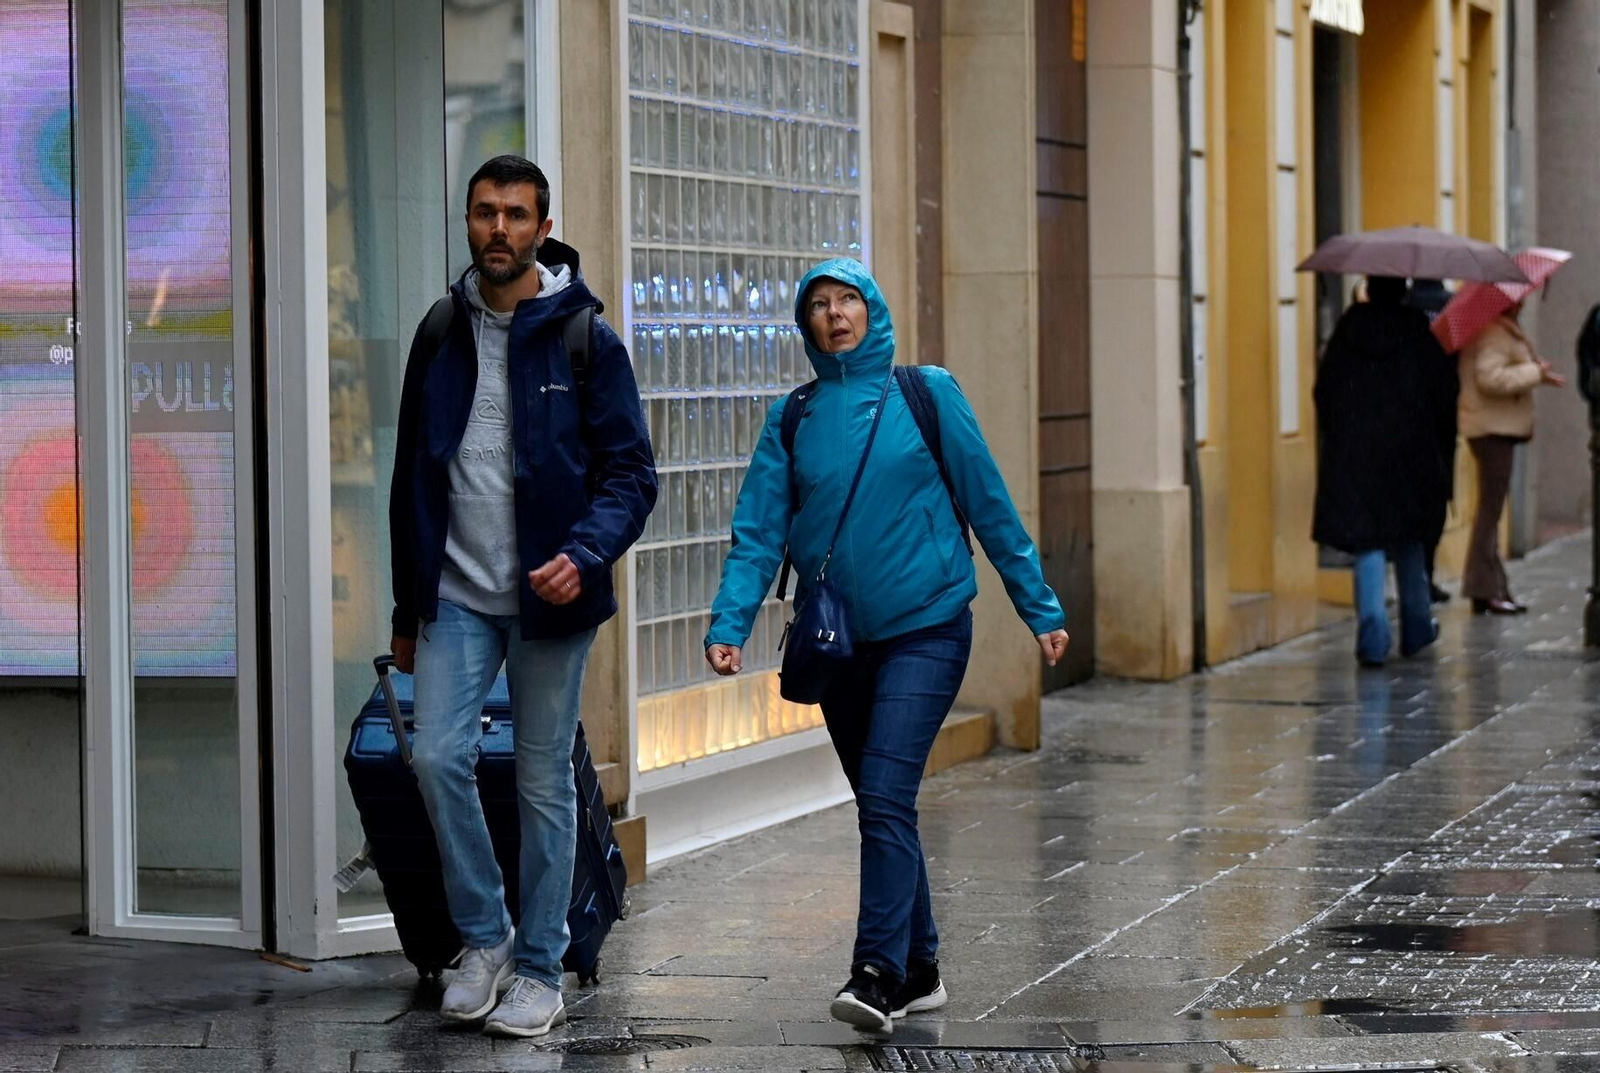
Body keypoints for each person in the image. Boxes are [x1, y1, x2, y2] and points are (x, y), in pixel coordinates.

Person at [703, 259, 1070, 1034]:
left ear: (872, 309)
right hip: (838, 643)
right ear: (805, 324)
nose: (834, 314)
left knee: (883, 792)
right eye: (819, 305)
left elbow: (990, 503)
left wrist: (1038, 606)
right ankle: (922, 968)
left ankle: (876, 972)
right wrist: (730, 623)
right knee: (884, 801)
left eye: (848, 299)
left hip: (927, 627)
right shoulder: (793, 416)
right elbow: (759, 532)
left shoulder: (926, 393)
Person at [388, 155, 656, 1037]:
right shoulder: (441, 332)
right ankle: (485, 937)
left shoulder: (585, 338)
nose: (497, 228)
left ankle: (541, 965)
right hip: (457, 594)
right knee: (436, 757)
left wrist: (585, 551)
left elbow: (632, 474)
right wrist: (406, 613)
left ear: (543, 228)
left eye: (513, 214)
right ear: (468, 222)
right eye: (483, 212)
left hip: (551, 600)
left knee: (543, 780)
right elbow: (410, 480)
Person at [1313, 275, 1457, 667]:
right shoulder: (1419, 332)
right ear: (1403, 292)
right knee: (1409, 536)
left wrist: (1341, 432)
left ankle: (1373, 633)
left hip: (1356, 453)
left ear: (1370, 290)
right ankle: (1417, 626)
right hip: (1410, 453)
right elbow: (1444, 392)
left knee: (1368, 539)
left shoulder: (1348, 330)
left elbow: (1324, 391)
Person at [1457, 300, 1565, 614]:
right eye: (1518, 299)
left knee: (1490, 509)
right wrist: (1532, 372)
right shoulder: (1493, 332)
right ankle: (1483, 588)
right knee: (1490, 510)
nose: (1523, 303)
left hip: (1494, 427)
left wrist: (1537, 374)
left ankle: (1491, 587)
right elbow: (1489, 377)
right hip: (1492, 429)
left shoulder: (1499, 329)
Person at [1406, 277, 1458, 604]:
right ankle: (1426, 570)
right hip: (1443, 416)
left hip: (1408, 415)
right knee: (1437, 497)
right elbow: (1458, 351)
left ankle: (1416, 575)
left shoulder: (1403, 307)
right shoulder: (1453, 305)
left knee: (1408, 497)